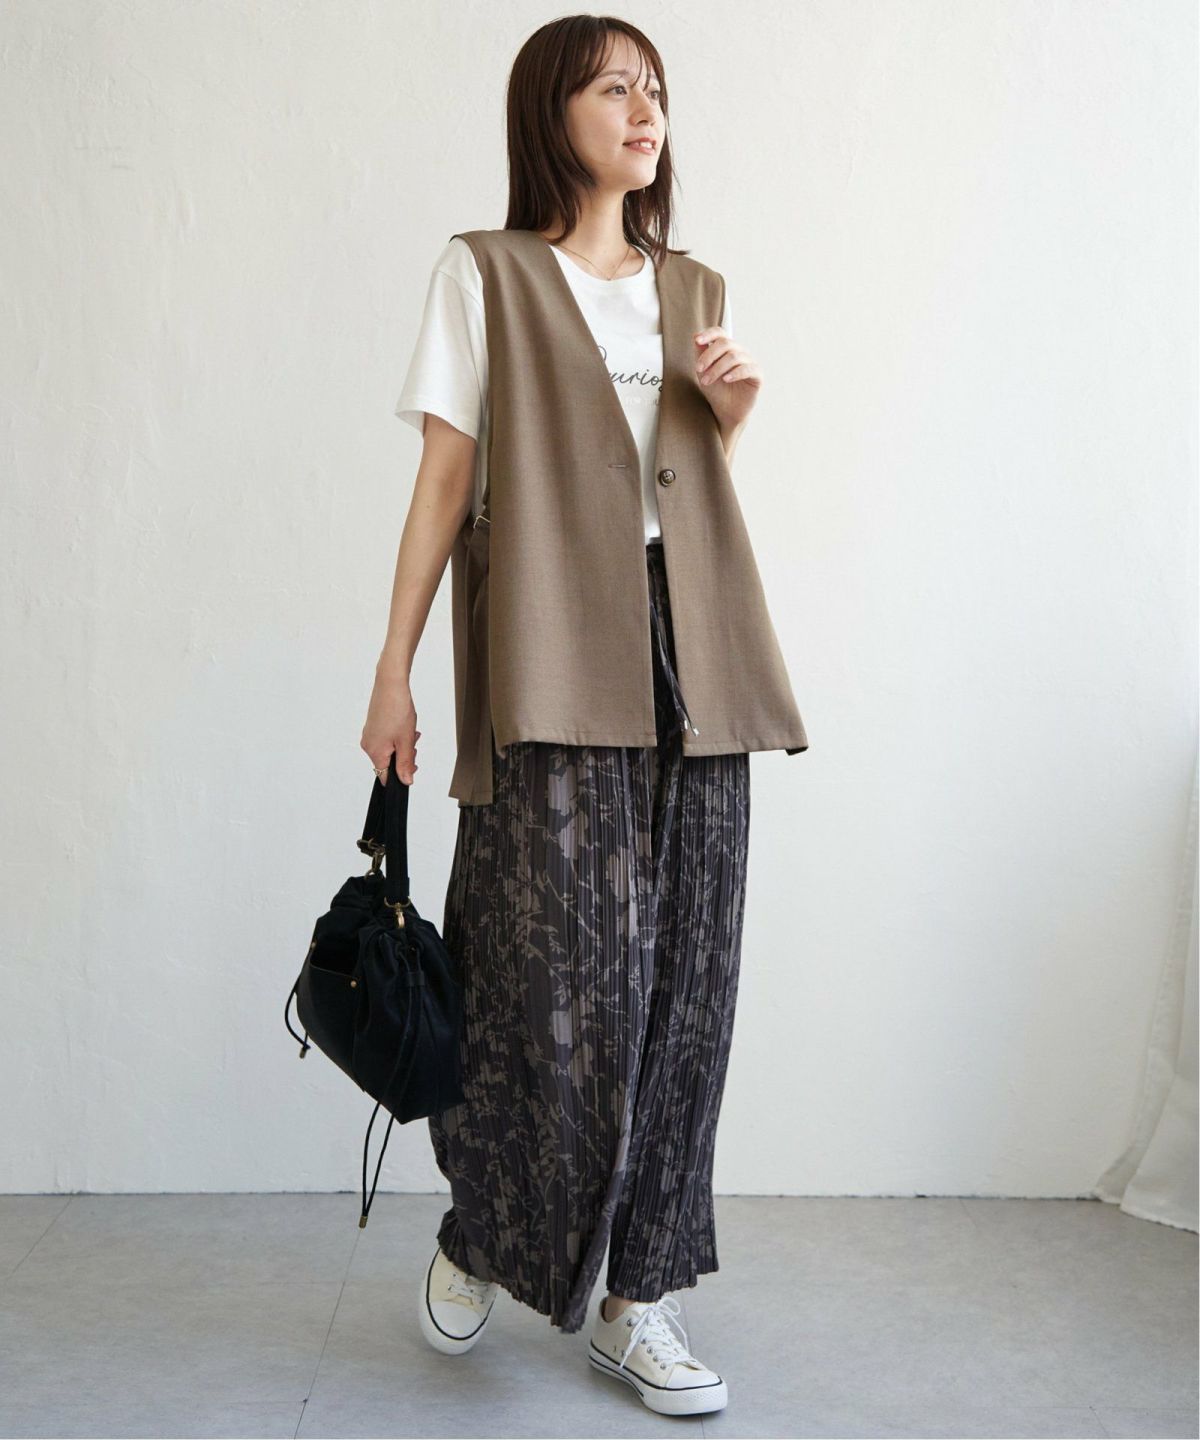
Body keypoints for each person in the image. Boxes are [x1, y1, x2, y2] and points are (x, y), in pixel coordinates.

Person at [361, 15, 807, 1420]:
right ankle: (485, 1225)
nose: (643, 108)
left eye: (655, 89)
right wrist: (394, 666)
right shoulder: (485, 275)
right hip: (553, 651)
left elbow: (677, 488)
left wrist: (730, 417)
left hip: (699, 652)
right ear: (551, 110)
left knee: (687, 984)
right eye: (615, 86)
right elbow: (447, 481)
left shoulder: (692, 288)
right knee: (536, 970)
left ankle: (639, 1298)